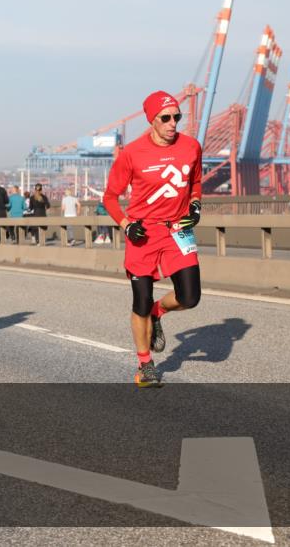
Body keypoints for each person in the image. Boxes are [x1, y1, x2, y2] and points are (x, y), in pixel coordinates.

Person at [103, 90, 203, 387]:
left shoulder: (191, 147)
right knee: (140, 302)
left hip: (178, 230)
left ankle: (159, 313)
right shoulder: (132, 154)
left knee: (190, 297)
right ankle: (146, 365)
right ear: (152, 120)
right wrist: (125, 224)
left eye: (177, 117)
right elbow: (110, 197)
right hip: (143, 232)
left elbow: (195, 182)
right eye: (166, 118)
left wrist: (196, 203)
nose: (173, 123)